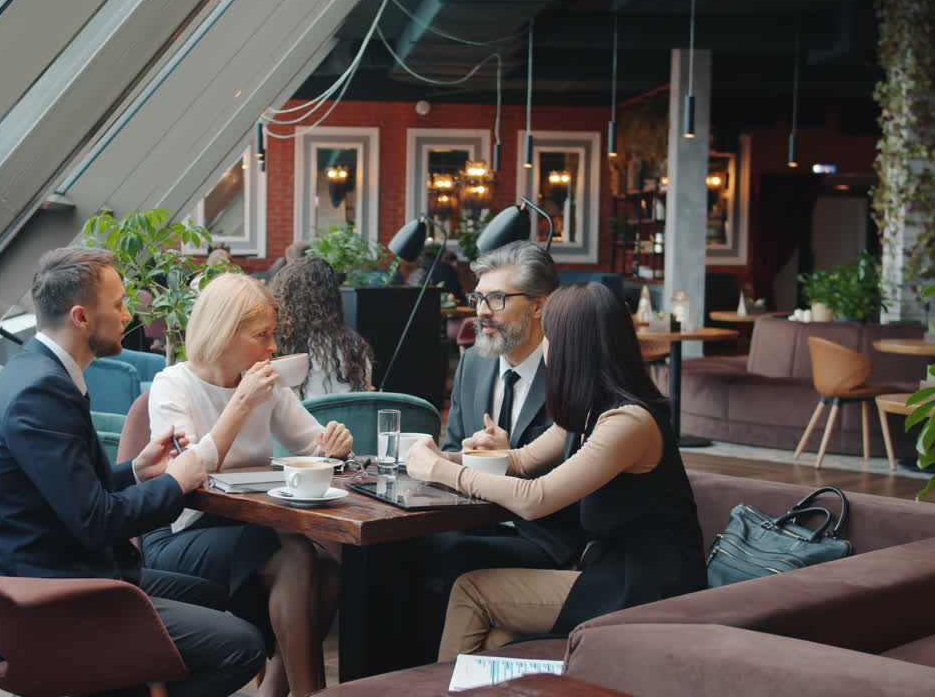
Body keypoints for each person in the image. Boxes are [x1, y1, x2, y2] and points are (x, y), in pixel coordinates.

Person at [0, 247, 264, 697]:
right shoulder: (39, 393)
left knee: (222, 595)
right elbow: (97, 522)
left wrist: (138, 472)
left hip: (56, 571)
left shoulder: (34, 371)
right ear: (81, 317)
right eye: (119, 303)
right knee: (242, 645)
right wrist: (177, 480)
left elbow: (65, 492)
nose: (129, 313)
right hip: (44, 605)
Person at [405, 282, 706, 658]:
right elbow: (521, 460)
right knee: (497, 640)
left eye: (548, 334)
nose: (543, 345)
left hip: (650, 583)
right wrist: (442, 457)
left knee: (471, 591)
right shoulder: (587, 411)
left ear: (571, 345)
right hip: (610, 570)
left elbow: (536, 498)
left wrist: (440, 471)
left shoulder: (627, 422)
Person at [143, 273, 353, 697]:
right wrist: (241, 404)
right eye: (263, 335)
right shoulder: (173, 385)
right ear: (224, 332)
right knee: (293, 554)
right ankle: (310, 693)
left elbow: (310, 441)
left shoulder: (263, 381)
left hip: (248, 527)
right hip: (182, 530)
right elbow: (187, 473)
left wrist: (334, 445)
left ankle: (275, 692)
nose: (273, 347)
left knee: (328, 571)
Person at [401, 240, 564, 664]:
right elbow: (456, 445)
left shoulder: (569, 371)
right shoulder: (475, 361)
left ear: (539, 306)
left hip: (549, 536)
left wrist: (506, 458)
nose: (481, 311)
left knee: (461, 554)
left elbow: (578, 471)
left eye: (496, 298)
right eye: (479, 297)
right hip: (475, 520)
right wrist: (460, 455)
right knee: (393, 550)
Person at [268, 256, 373, 399]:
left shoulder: (280, 347)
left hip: (300, 420)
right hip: (346, 420)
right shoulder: (353, 345)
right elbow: (365, 390)